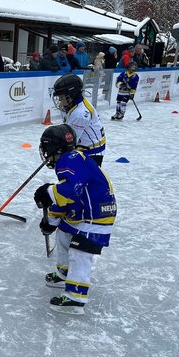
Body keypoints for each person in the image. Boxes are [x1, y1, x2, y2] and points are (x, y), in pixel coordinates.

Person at [33, 124, 117, 314]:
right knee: (64, 233)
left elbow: (71, 191)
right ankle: (64, 273)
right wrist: (51, 221)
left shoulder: (68, 160)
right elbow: (69, 200)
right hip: (85, 212)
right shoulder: (73, 159)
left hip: (97, 215)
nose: (45, 154)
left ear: (56, 148)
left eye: (46, 149)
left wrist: (48, 192)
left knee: (80, 251)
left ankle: (76, 297)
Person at [52, 74, 106, 166]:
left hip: (92, 151)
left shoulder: (80, 114)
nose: (60, 99)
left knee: (81, 178)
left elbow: (70, 140)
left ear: (71, 94)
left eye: (62, 96)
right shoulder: (72, 104)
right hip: (84, 145)